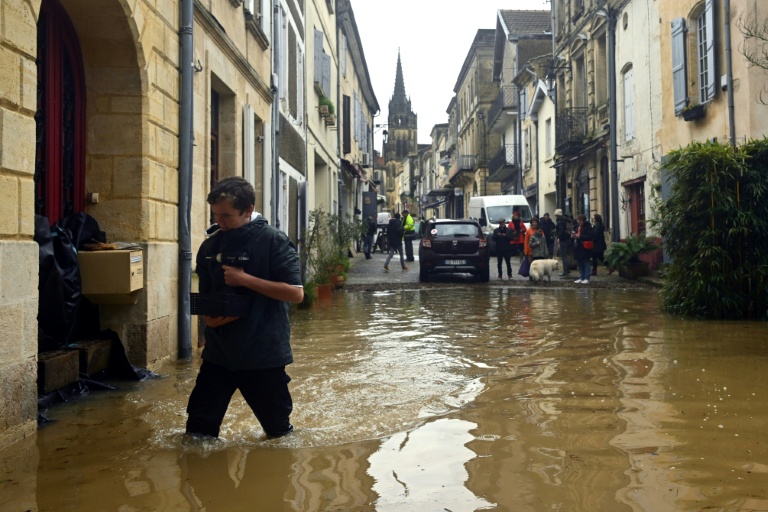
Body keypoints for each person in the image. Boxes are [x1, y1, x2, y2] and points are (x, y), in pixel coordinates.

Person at [187, 176, 304, 440]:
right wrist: (208, 319)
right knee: (197, 435)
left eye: (226, 215)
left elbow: (296, 293)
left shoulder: (274, 241)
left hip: (263, 354)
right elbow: (206, 296)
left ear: (248, 209)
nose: (220, 222)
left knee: (279, 435)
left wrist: (244, 279)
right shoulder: (209, 246)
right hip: (218, 354)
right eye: (215, 215)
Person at [572, 213, 593, 284]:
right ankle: (581, 277)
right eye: (578, 220)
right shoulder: (577, 227)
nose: (579, 222)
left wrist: (580, 236)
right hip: (578, 247)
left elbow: (590, 237)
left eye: (580, 220)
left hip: (585, 247)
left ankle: (587, 278)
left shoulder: (588, 227)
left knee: (586, 262)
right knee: (579, 262)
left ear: (583, 220)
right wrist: (573, 235)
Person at [555, 209, 574, 277]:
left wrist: (558, 238)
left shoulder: (560, 221)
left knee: (564, 256)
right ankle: (567, 270)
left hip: (563, 240)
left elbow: (561, 230)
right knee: (567, 256)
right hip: (569, 239)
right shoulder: (567, 220)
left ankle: (566, 271)